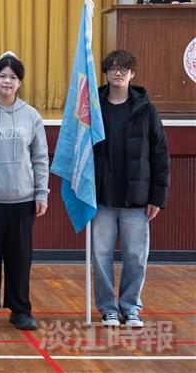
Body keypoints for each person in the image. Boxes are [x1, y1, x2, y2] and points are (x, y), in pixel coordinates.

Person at [92, 50, 169, 328]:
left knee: (136, 256)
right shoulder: (93, 107)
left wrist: (157, 198)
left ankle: (130, 306)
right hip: (102, 198)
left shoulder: (146, 110)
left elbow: (160, 155)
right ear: (105, 73)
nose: (118, 73)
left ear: (133, 73)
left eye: (124, 68)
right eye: (113, 68)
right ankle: (107, 308)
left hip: (137, 199)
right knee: (101, 257)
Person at [0, 52, 49, 331]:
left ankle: (20, 309)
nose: (7, 81)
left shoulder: (31, 116)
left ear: (19, 83)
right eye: (2, 76)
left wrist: (42, 193)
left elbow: (40, 157)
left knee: (20, 259)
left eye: (13, 77)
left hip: (22, 199)